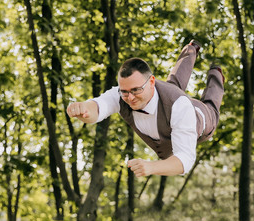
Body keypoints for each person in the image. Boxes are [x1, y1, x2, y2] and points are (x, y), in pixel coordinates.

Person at [66, 40, 225, 177]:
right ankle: (191, 49)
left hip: (199, 117)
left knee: (210, 104)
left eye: (136, 90)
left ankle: (216, 72)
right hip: (168, 100)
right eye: (125, 92)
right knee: (173, 85)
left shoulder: (179, 107)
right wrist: (83, 109)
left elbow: (185, 160)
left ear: (151, 82)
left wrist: (151, 167)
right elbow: (98, 108)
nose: (131, 98)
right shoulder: (123, 93)